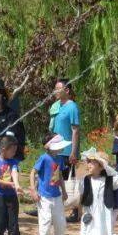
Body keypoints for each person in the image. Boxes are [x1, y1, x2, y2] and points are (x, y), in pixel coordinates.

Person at [30, 134, 71, 235]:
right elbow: (33, 172)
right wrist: (33, 189)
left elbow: (60, 176)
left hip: (57, 195)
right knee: (45, 220)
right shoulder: (44, 158)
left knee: (61, 221)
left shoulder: (60, 159)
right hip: (44, 196)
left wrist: (63, 191)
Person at [51, 78, 82, 223]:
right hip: (55, 149)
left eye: (58, 89)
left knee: (70, 181)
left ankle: (75, 210)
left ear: (67, 90)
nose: (56, 91)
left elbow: (75, 130)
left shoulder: (72, 107)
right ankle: (55, 208)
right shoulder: (56, 106)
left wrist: (74, 152)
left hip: (67, 150)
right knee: (55, 179)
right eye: (55, 89)